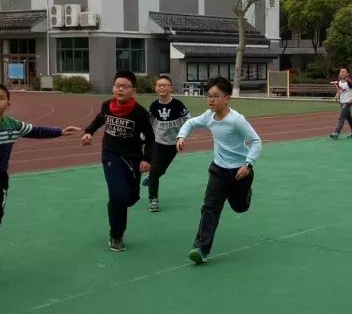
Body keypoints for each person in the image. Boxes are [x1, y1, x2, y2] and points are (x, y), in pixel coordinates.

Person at [0, 83, 81, 292]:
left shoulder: (13, 125)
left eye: (1, 98)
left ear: (8, 104)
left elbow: (36, 130)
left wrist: (60, 131)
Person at [176, 77, 262, 264]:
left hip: (240, 171)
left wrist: (248, 164)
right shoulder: (208, 116)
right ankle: (201, 248)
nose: (211, 100)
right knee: (210, 208)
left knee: (240, 207)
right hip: (218, 170)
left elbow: (256, 141)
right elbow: (190, 123)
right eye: (208, 96)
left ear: (227, 98)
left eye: (216, 96)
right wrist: (182, 136)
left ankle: (246, 193)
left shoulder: (236, 120)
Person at [81, 71, 154, 252]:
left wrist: (147, 159)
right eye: (117, 86)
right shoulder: (107, 106)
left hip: (133, 158)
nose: (120, 89)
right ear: (113, 88)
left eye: (125, 86)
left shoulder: (140, 113)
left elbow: (151, 138)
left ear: (133, 90)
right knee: (118, 195)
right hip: (111, 155)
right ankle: (116, 235)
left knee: (131, 196)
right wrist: (88, 131)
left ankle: (117, 202)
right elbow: (99, 119)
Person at [143, 74, 190, 211]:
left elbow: (188, 120)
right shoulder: (154, 106)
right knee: (155, 170)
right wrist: (143, 138)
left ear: (171, 88)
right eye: (159, 85)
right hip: (158, 142)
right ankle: (153, 199)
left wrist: (182, 137)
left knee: (161, 170)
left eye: (165, 85)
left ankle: (152, 177)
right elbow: (149, 123)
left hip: (173, 144)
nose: (162, 87)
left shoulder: (177, 104)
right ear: (156, 88)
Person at [329, 67, 352, 139]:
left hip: (347, 102)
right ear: (339, 74)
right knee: (349, 118)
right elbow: (339, 90)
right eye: (341, 72)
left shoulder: (349, 81)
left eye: (344, 72)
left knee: (342, 117)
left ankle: (337, 133)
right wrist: (336, 96)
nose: (342, 73)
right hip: (342, 102)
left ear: (347, 74)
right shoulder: (339, 82)